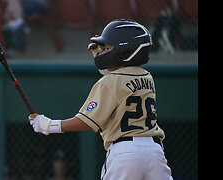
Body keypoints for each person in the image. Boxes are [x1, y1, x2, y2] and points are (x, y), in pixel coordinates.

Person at [29, 19, 173, 180]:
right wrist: (104, 54)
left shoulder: (108, 82)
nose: (102, 52)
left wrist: (50, 125)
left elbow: (87, 121)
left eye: (106, 48)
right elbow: (120, 77)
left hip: (124, 153)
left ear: (124, 52)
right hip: (155, 153)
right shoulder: (148, 77)